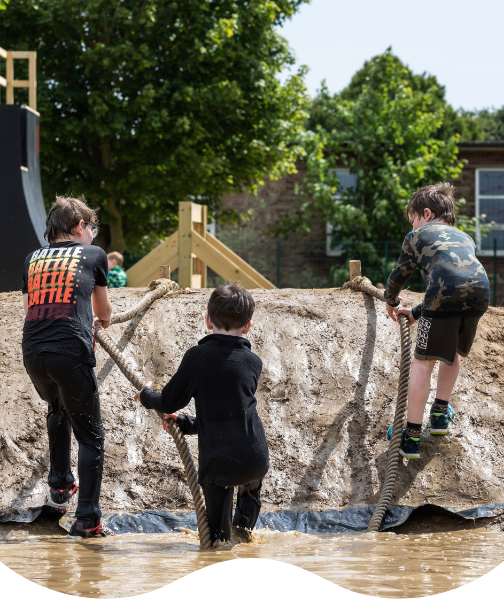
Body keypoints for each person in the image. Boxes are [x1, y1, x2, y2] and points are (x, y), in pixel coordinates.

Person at [135, 283, 269, 545]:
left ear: (208, 321)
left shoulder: (197, 357)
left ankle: (226, 540)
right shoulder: (253, 362)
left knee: (217, 541)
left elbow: (169, 401)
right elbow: (229, 413)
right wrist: (185, 424)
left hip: (219, 462)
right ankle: (244, 536)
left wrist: (146, 396)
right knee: (246, 518)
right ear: (248, 326)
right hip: (255, 456)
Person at [21, 196, 114, 538]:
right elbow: (103, 312)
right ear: (79, 227)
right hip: (69, 351)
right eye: (92, 227)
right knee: (91, 436)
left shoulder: (32, 258)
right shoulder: (94, 255)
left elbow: (30, 307)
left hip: (33, 352)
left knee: (56, 408)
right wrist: (101, 321)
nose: (93, 233)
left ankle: (60, 486)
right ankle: (88, 518)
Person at [385, 183, 490, 459]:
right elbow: (453, 282)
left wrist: (391, 300)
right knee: (452, 352)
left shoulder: (416, 237)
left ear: (427, 214)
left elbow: (400, 273)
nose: (413, 226)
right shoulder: (466, 238)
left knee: (423, 363)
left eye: (413, 220)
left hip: (447, 298)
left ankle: (412, 434)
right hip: (480, 295)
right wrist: (418, 312)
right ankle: (441, 413)